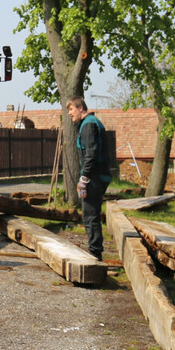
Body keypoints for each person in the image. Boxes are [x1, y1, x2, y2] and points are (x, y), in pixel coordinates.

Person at [66, 96, 112, 261]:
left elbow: (91, 153)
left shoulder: (89, 125)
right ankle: (95, 250)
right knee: (90, 214)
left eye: (71, 109)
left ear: (80, 108)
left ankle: (95, 254)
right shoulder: (89, 123)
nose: (70, 114)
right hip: (96, 176)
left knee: (90, 215)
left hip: (95, 177)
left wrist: (84, 178)